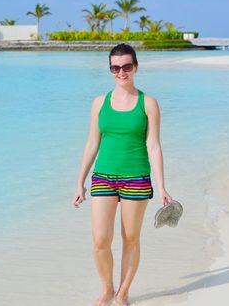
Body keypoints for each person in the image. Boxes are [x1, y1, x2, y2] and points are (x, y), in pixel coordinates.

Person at [72, 43, 173, 306]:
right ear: (110, 70)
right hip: (103, 176)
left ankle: (123, 293)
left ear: (136, 67)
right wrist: (79, 182)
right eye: (115, 67)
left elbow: (154, 145)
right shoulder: (99, 103)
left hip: (136, 178)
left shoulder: (148, 103)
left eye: (126, 66)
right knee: (100, 241)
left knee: (130, 238)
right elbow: (92, 144)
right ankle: (107, 289)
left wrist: (161, 186)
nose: (121, 72)